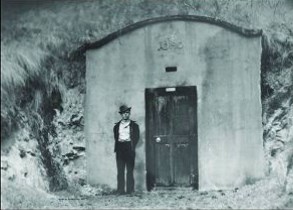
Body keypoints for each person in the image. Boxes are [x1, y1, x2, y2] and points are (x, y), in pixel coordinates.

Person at [113, 105, 140, 195]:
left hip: (129, 148)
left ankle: (130, 190)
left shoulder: (134, 126)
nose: (125, 115)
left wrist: (132, 146)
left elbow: (137, 137)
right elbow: (116, 137)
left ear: (129, 114)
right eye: (124, 113)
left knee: (129, 170)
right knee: (120, 170)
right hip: (120, 148)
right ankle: (120, 190)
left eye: (127, 113)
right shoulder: (116, 126)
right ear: (121, 115)